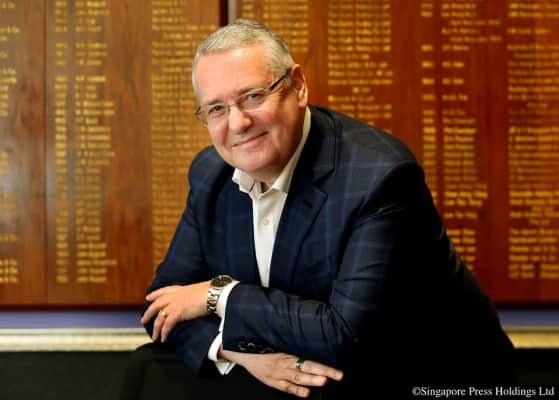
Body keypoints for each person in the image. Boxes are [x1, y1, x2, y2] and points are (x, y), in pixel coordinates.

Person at [137, 19, 516, 398]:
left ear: (298, 86)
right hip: (305, 380)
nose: (238, 123)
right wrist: (239, 351)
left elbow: (344, 335)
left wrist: (219, 295)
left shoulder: (379, 178)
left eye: (252, 96)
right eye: (217, 108)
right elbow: (163, 307)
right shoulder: (211, 174)